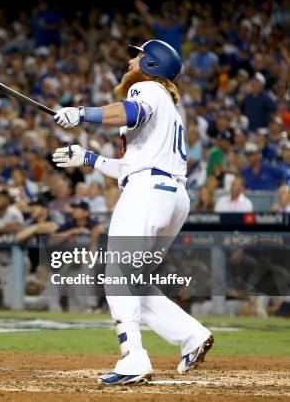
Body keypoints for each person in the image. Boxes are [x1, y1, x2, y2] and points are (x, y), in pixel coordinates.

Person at [51, 39, 213, 384]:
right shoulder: (166, 102)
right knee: (134, 282)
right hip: (169, 195)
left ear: (152, 65)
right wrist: (89, 159)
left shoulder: (147, 88)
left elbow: (130, 114)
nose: (130, 60)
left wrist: (81, 113)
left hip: (148, 193)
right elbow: (132, 167)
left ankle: (133, 358)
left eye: (138, 55)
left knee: (118, 275)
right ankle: (191, 336)